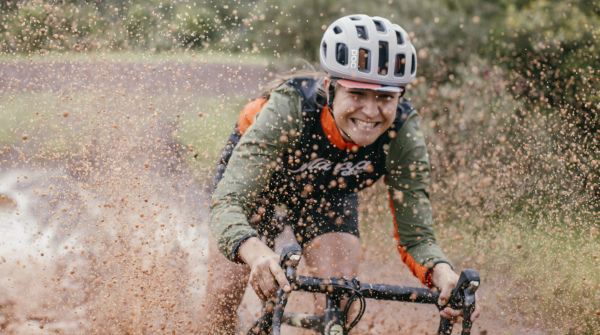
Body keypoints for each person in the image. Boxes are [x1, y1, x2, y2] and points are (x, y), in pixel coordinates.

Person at [201, 14, 481, 333]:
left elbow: (416, 238)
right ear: (330, 87)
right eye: (358, 94)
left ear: (400, 97)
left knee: (342, 302)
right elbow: (227, 204)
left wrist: (444, 274)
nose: (371, 112)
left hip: (327, 193)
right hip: (259, 190)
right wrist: (255, 252)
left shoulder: (402, 131)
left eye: (386, 97)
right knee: (224, 295)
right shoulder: (289, 108)